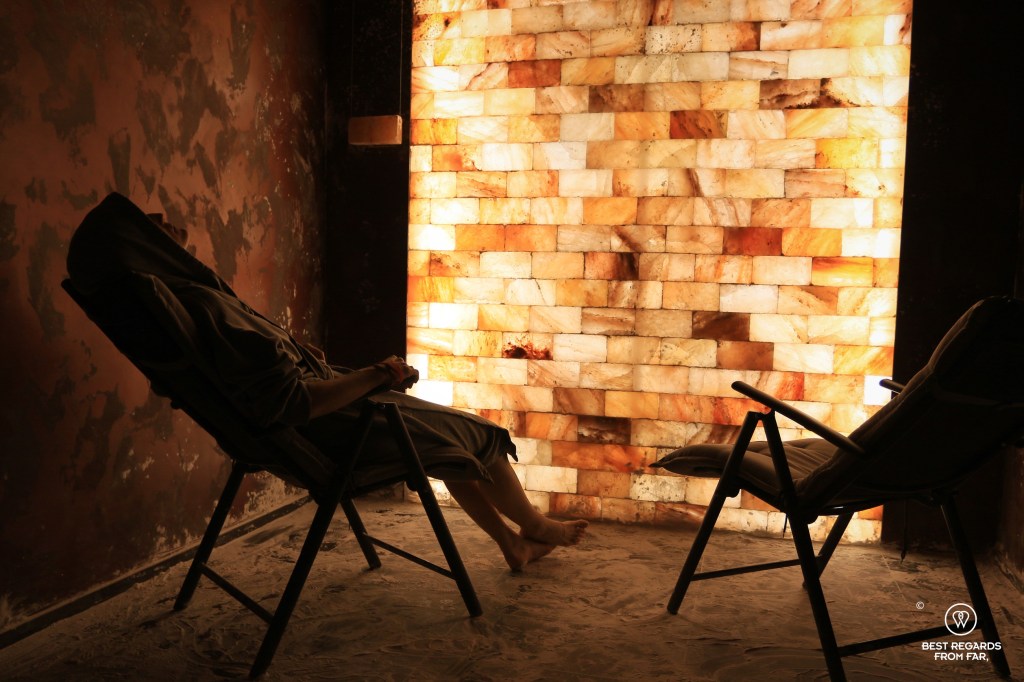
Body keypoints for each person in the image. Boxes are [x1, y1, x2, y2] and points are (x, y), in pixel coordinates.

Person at [67, 193, 587, 571]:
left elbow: (275, 387)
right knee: (477, 436)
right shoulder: (207, 309)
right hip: (336, 434)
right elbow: (295, 402)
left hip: (295, 434)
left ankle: (514, 545)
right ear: (141, 252)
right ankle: (533, 528)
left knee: (449, 438)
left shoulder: (184, 311)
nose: (163, 218)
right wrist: (381, 374)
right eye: (149, 226)